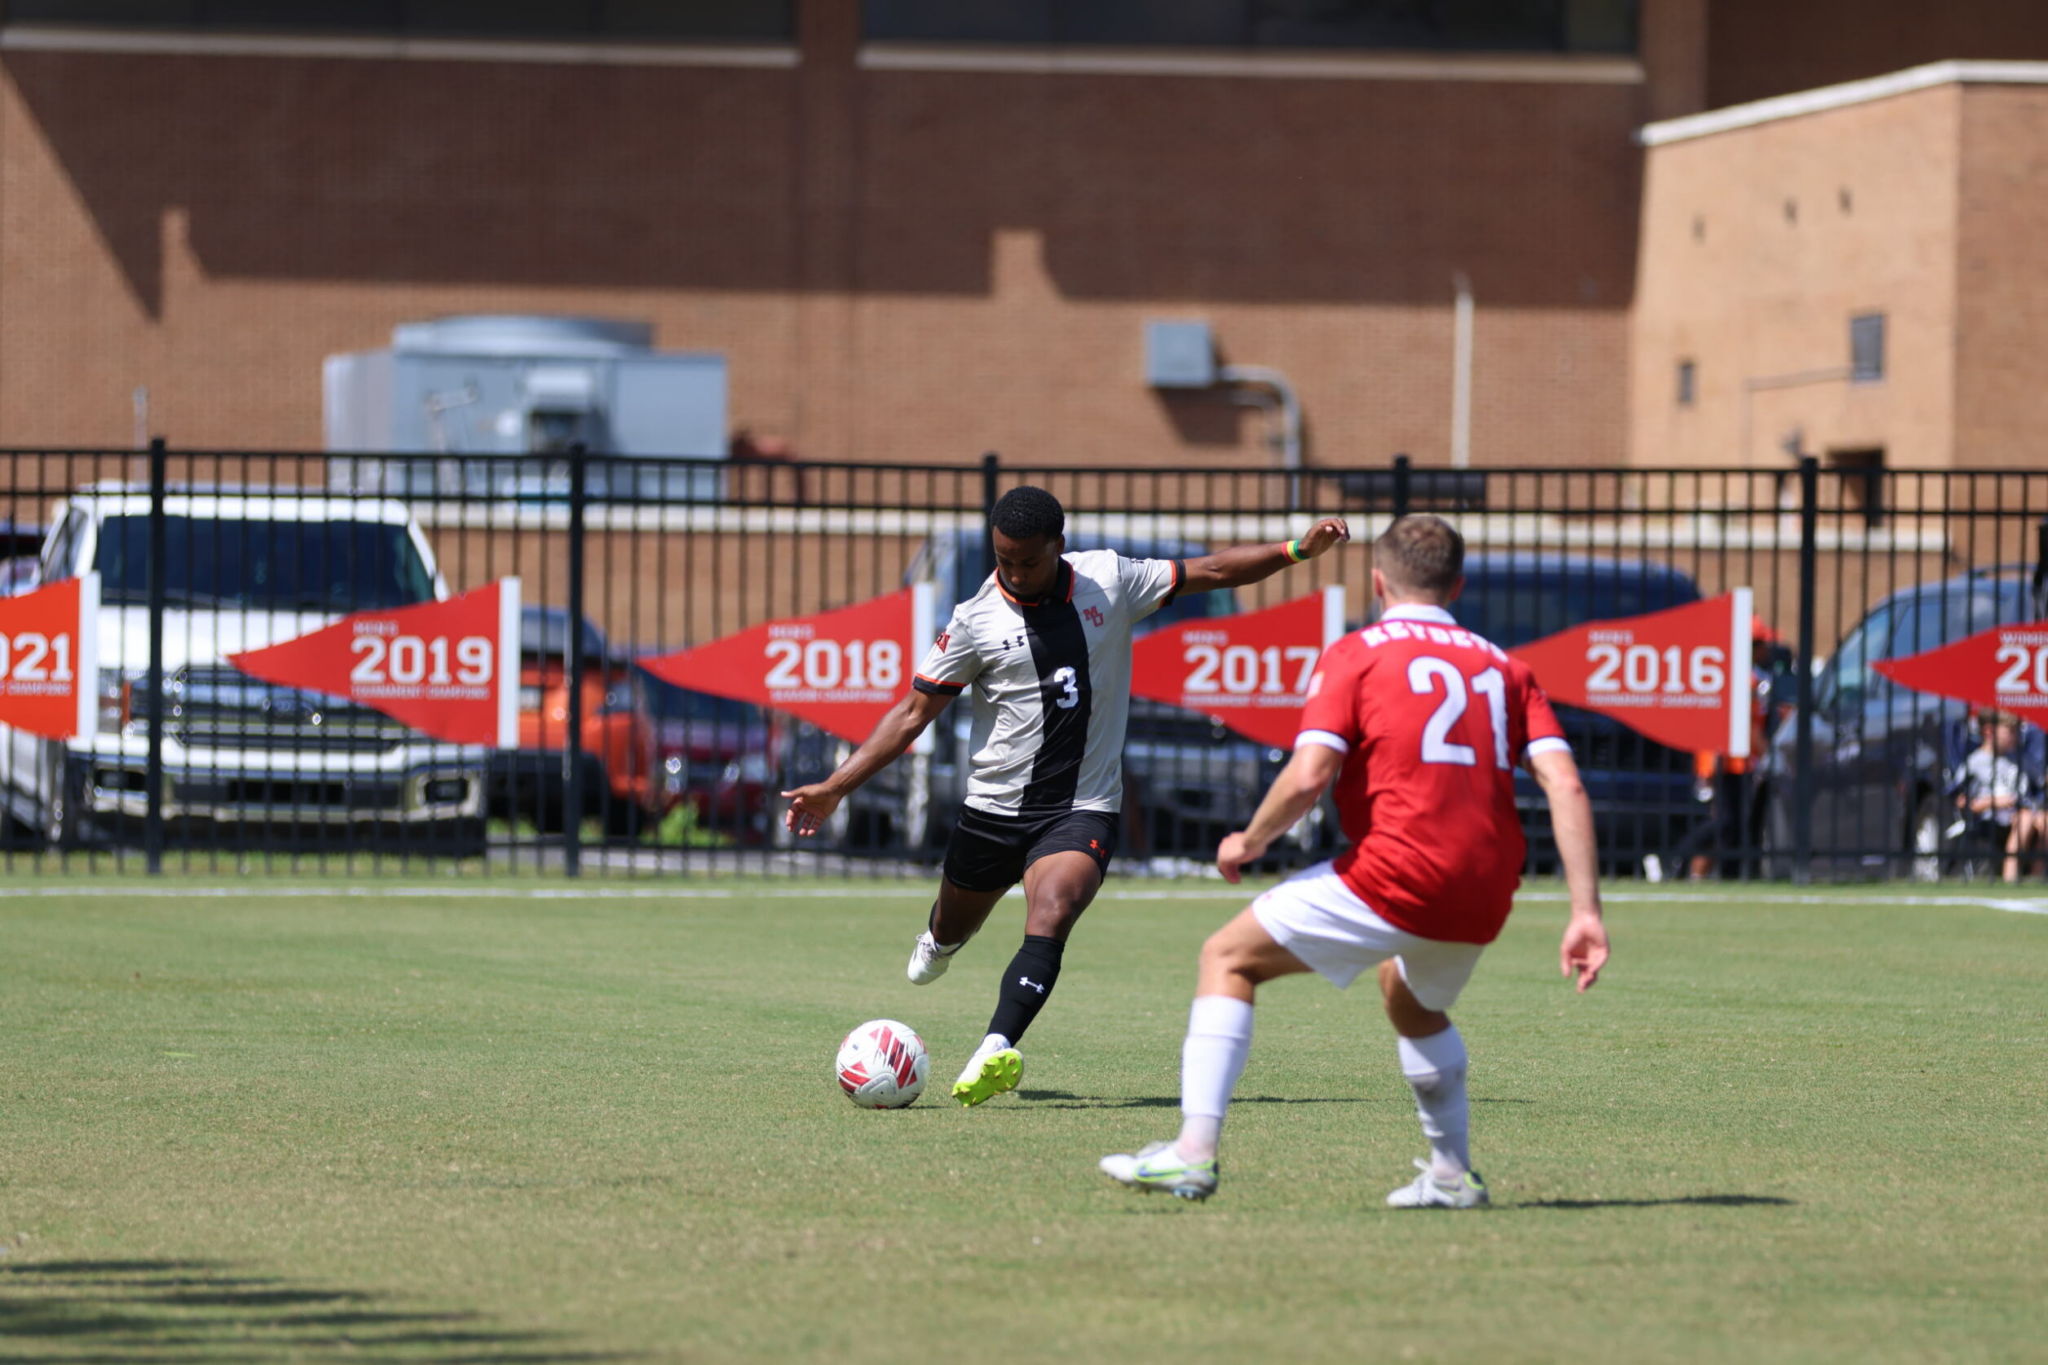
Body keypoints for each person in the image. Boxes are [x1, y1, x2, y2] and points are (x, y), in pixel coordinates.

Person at [781, 486, 1351, 1107]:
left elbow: (1211, 570)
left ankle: (995, 1046)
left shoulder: (1109, 581)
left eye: (1028, 560)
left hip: (1082, 806)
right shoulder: (975, 620)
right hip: (993, 812)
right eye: (1004, 560)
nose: (1015, 573)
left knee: (1052, 910)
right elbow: (914, 713)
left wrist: (1297, 549)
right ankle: (940, 941)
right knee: (950, 927)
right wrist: (836, 788)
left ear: (1058, 543)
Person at [1099, 514, 1608, 1205]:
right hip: (1486, 884)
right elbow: (1566, 784)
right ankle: (1452, 1174)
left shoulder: (1358, 652)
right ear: (1456, 585)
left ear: (1377, 581)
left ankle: (1192, 1152)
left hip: (1396, 869)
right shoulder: (1506, 668)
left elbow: (1311, 772)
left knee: (1228, 957)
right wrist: (1585, 912)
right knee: (1410, 998)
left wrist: (1248, 840)